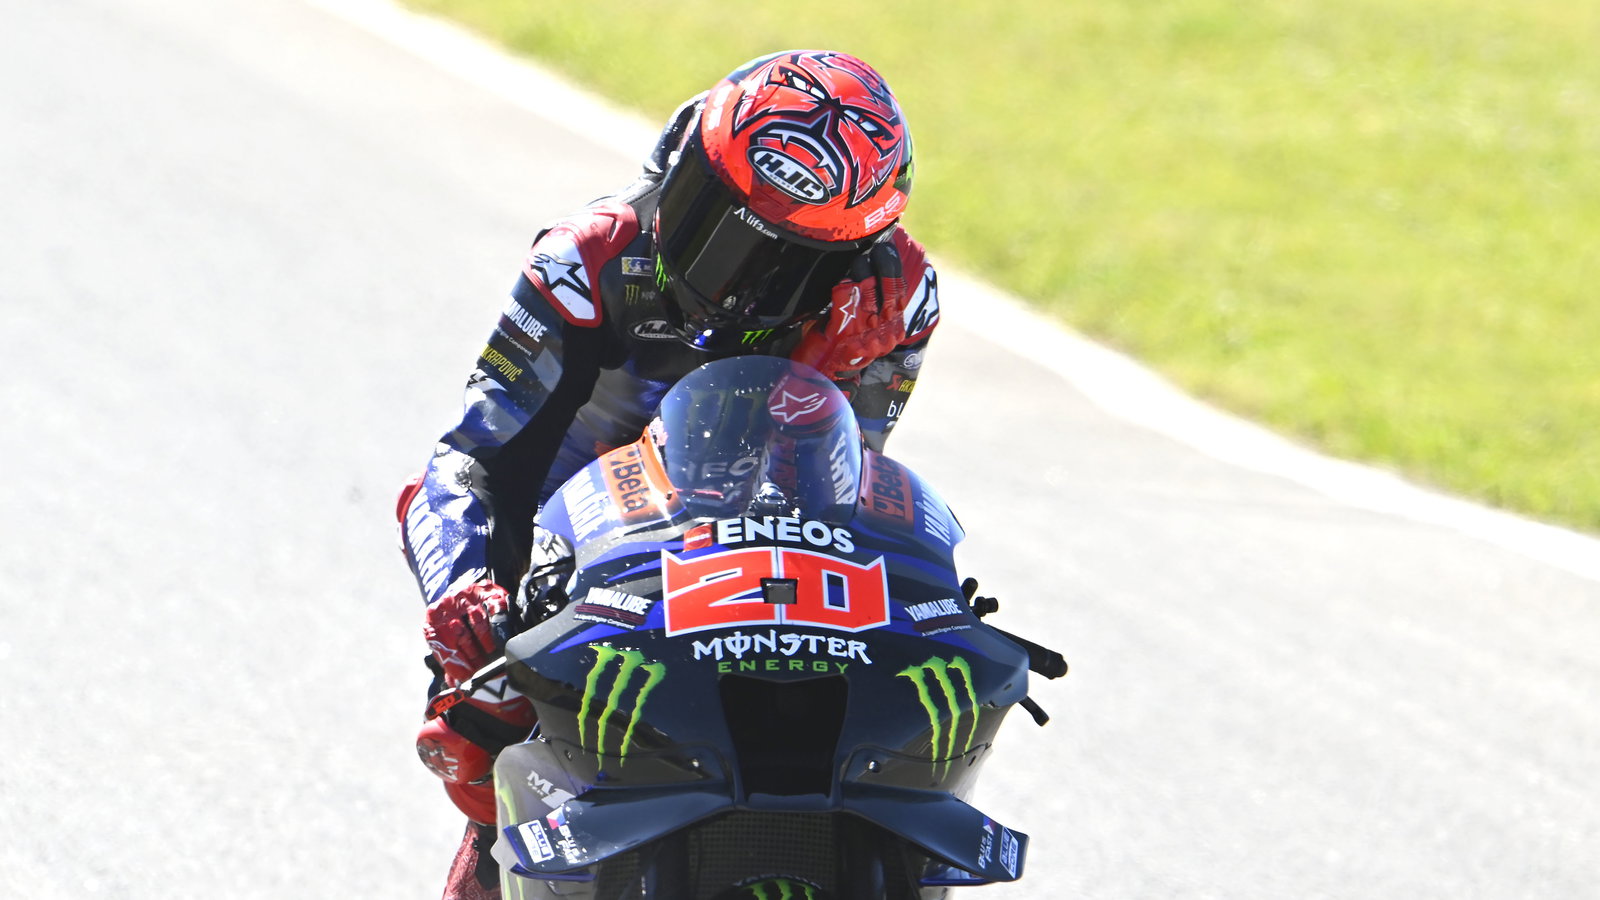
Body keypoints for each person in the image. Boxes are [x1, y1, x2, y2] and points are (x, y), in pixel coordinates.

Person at [395, 49, 941, 899]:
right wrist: (471, 596)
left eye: (787, 263)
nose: (739, 282)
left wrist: (830, 371)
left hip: (747, 558)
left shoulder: (892, 298)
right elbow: (474, 459)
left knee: (884, 731)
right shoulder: (585, 263)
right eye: (717, 226)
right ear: (684, 168)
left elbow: (842, 501)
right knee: (487, 742)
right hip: (569, 558)